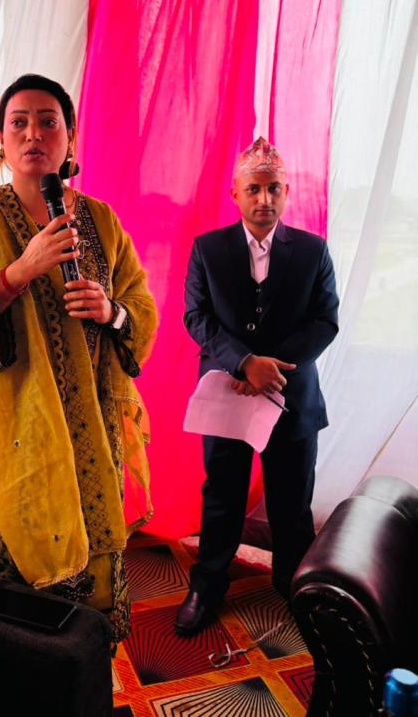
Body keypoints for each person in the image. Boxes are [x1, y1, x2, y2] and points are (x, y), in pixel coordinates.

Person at [0, 73, 158, 643]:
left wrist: (111, 311)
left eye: (49, 122)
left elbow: (142, 308)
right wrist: (15, 274)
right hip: (11, 435)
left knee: (86, 591)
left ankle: (80, 672)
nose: (33, 134)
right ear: (0, 141)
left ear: (70, 138)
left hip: (90, 433)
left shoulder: (101, 221)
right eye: (18, 123)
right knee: (9, 602)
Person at [175, 137, 339, 636]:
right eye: (254, 189)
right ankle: (208, 584)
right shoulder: (208, 249)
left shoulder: (312, 250)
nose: (264, 199)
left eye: (273, 189)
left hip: (292, 397)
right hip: (227, 395)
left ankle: (293, 585)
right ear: (236, 193)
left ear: (286, 192)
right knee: (221, 497)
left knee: (292, 503)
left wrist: (274, 367)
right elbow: (196, 317)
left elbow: (325, 320)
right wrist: (245, 363)